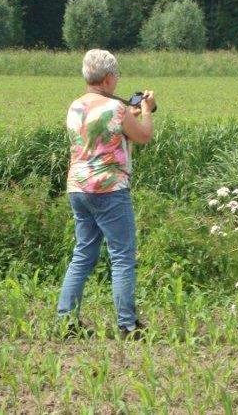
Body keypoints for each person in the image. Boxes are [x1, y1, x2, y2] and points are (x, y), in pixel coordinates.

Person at [56, 49, 156, 339]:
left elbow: (99, 133)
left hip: (78, 186)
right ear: (110, 78)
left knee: (84, 252)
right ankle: (127, 324)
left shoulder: (75, 106)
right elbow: (143, 135)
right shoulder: (117, 109)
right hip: (109, 188)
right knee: (122, 255)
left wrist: (130, 114)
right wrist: (146, 111)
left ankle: (66, 320)